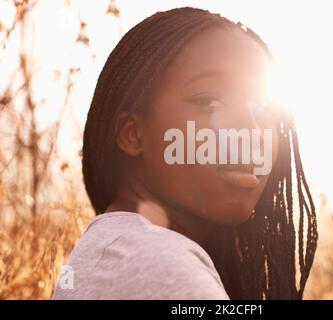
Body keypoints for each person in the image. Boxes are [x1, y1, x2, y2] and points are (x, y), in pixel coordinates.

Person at [53, 6, 317, 300]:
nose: (251, 130)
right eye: (209, 101)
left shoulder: (116, 251)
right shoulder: (163, 269)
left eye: (264, 109)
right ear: (133, 134)